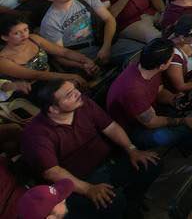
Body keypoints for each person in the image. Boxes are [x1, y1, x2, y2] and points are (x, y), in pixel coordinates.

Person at [20, 78, 161, 219]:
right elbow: (52, 172)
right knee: (113, 202)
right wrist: (88, 189)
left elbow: (110, 126)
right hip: (79, 181)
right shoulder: (36, 135)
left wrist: (131, 149)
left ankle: (132, 203)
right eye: (69, 94)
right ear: (53, 109)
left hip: (108, 162)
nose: (78, 93)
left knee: (151, 164)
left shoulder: (83, 103)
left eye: (75, 89)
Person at [104, 38, 192, 150]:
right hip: (133, 129)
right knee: (177, 132)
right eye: (171, 58)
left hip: (150, 112)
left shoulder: (150, 68)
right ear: (162, 65)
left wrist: (172, 99)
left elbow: (159, 91)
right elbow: (150, 122)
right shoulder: (133, 90)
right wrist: (183, 121)